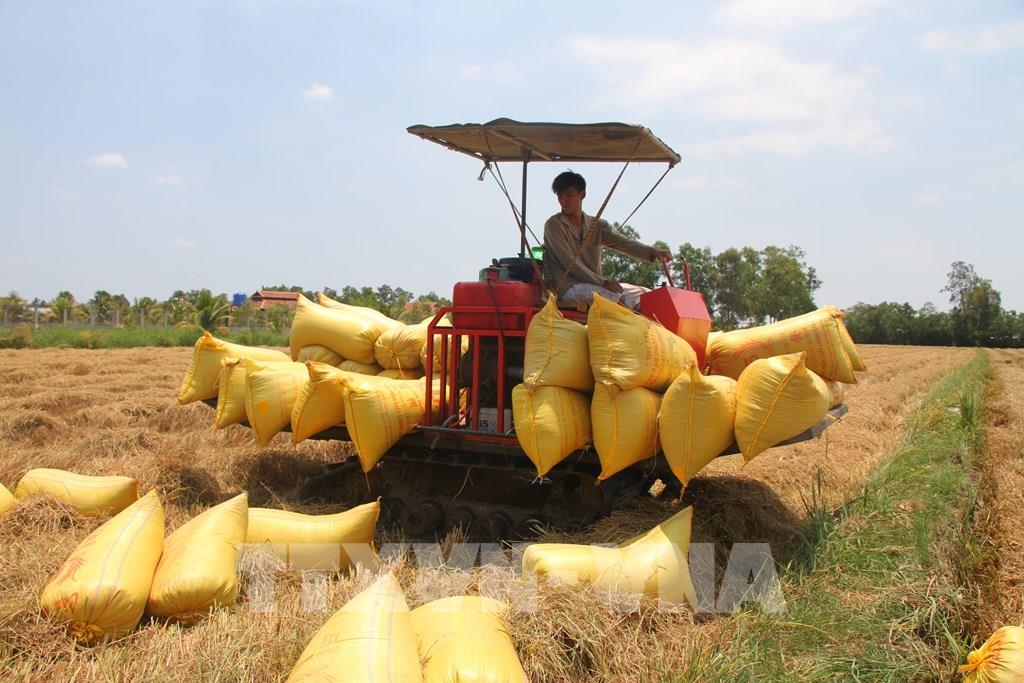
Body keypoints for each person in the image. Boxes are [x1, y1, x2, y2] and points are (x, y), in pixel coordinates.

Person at [543, 170, 672, 310]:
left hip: (596, 285)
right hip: (569, 287)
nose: (564, 200)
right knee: (618, 299)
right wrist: (603, 282)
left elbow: (623, 243)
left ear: (582, 194)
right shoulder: (554, 225)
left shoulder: (596, 225)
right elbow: (569, 262)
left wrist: (652, 251)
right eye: (560, 196)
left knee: (646, 295)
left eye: (569, 195)